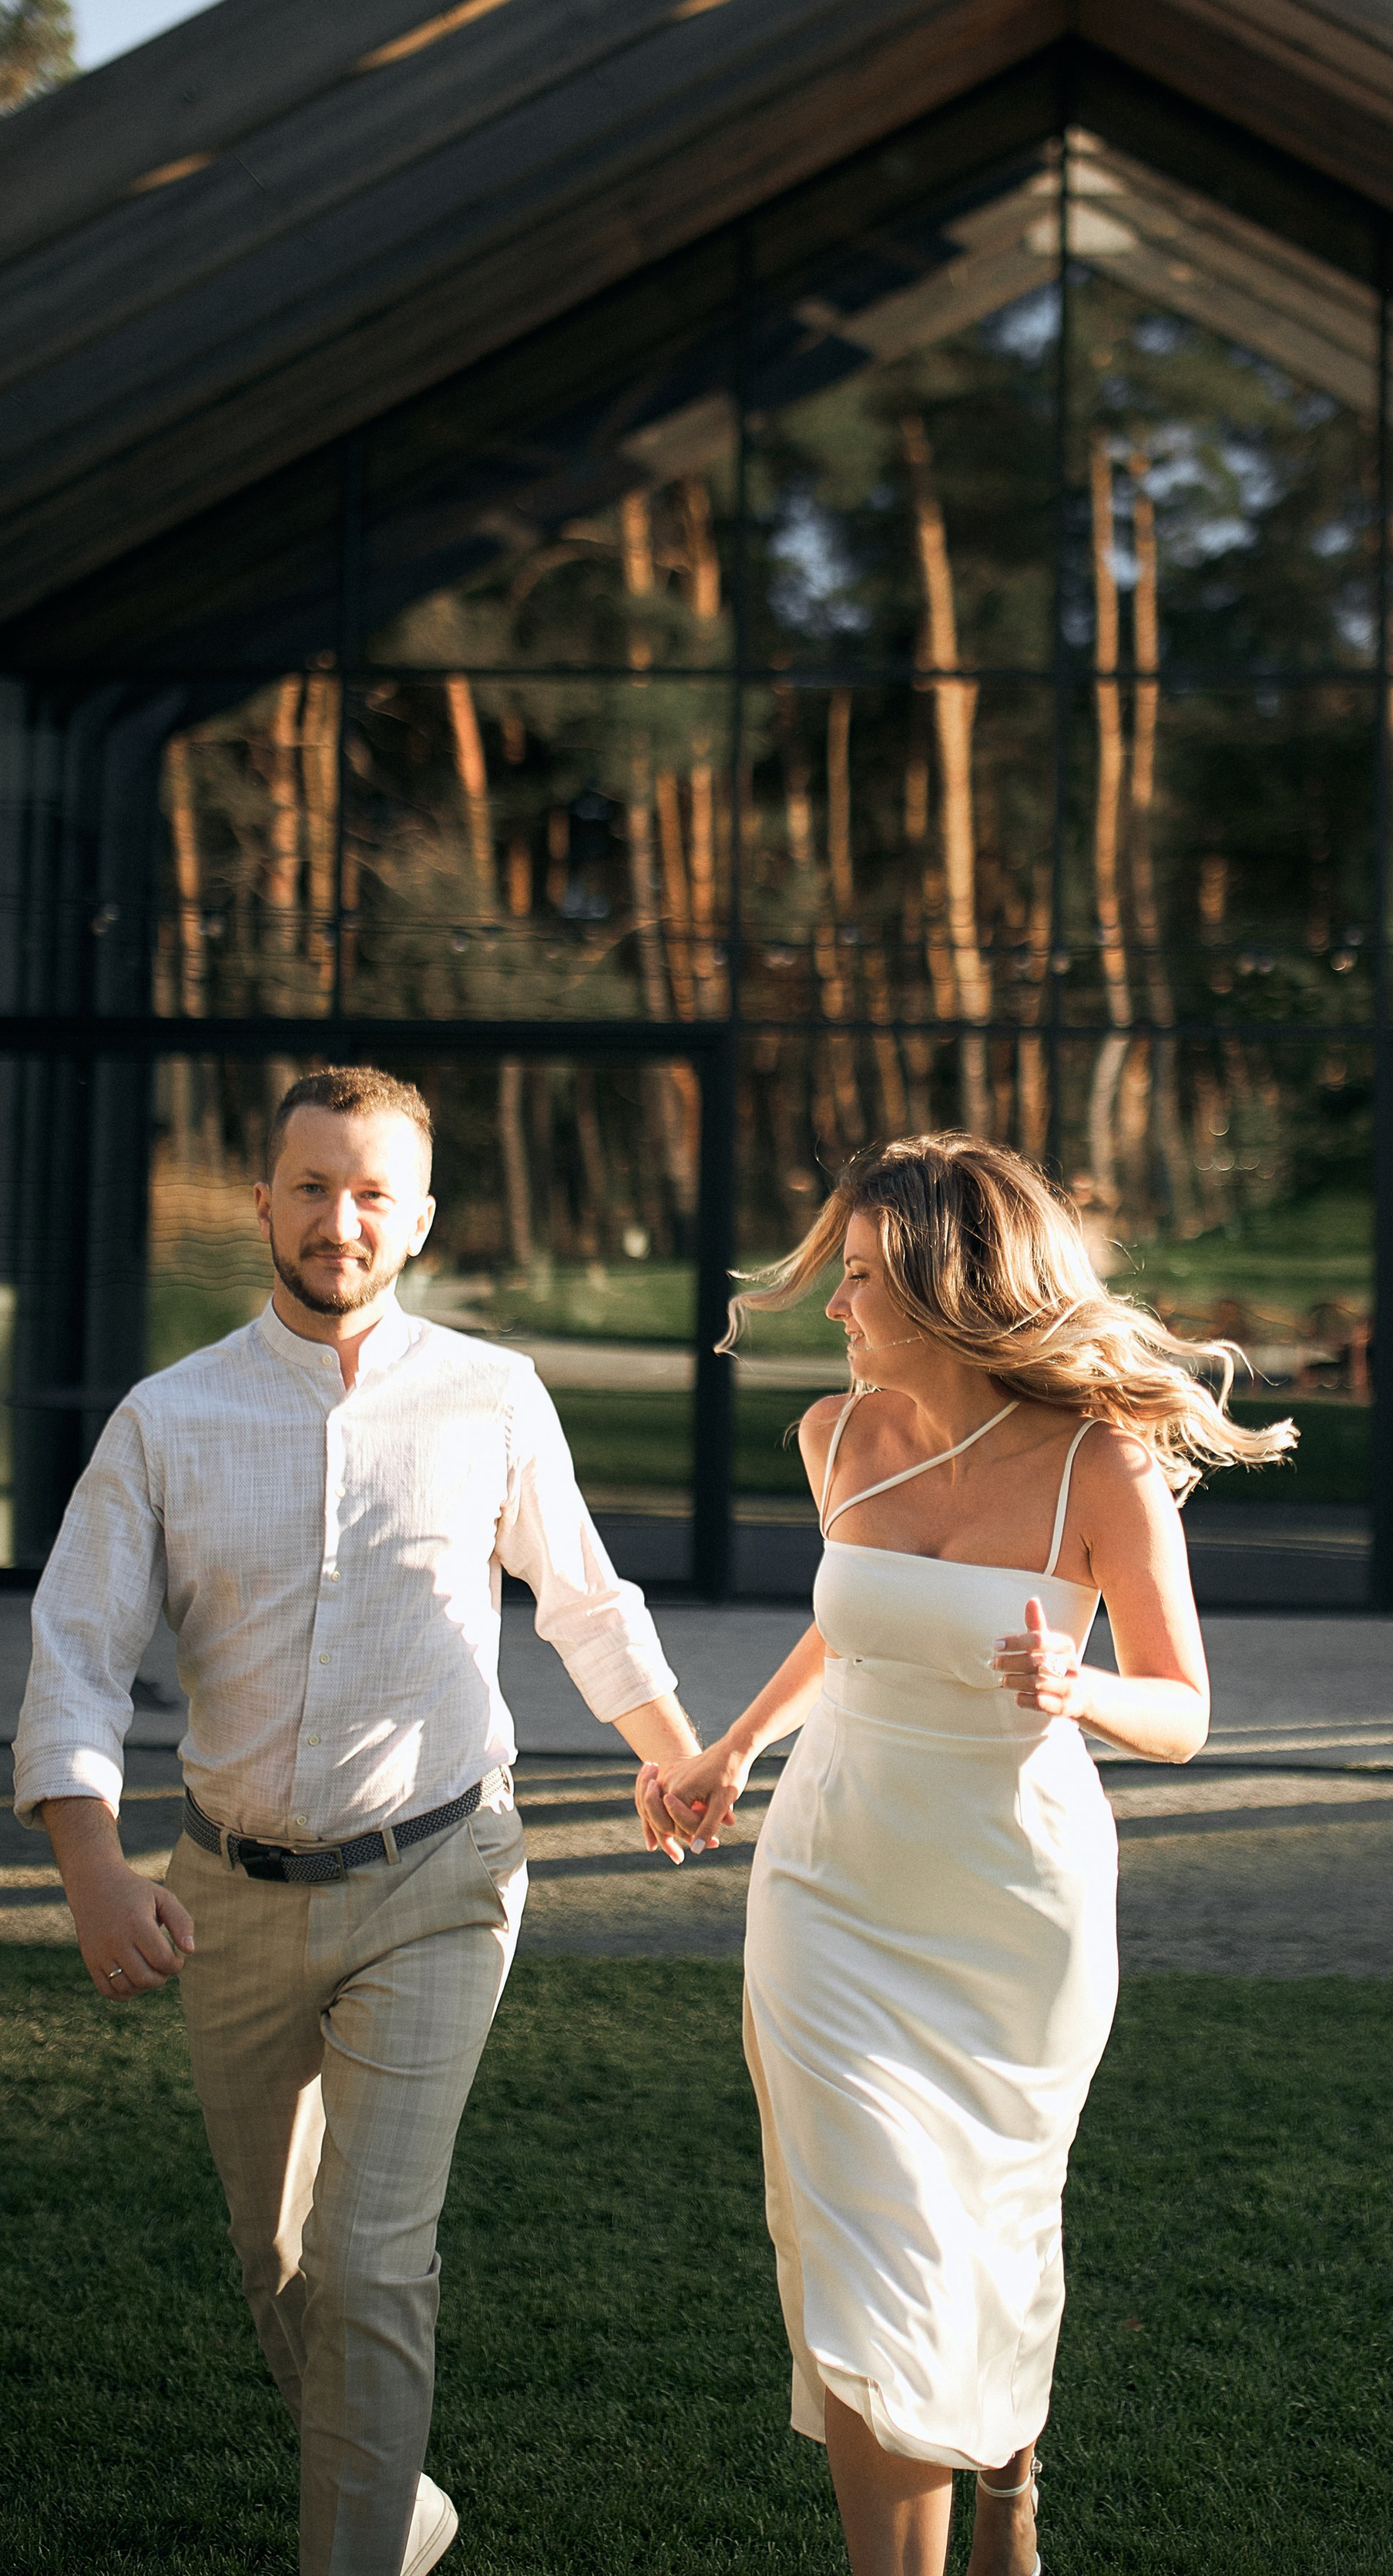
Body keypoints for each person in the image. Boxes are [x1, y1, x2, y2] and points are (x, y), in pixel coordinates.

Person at [15, 1066, 701, 2576]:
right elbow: (72, 1647)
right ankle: (399, 2513)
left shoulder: (490, 1396)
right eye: (313, 1186)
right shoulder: (167, 1421)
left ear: (422, 1219)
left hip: (442, 1878)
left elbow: (581, 1597)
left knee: (374, 2261)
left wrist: (671, 1754)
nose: (341, 1217)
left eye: (373, 1191)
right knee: (278, 2266)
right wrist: (91, 1865)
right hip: (229, 1895)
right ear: (261, 1203)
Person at [641, 1134, 1292, 2576]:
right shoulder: (833, 1436)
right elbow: (856, 1622)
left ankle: (1012, 2476)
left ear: (947, 1289)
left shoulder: (1098, 1460)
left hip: (1012, 1907)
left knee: (984, 2227)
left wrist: (1084, 1689)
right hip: (832, 1888)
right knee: (872, 2253)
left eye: (862, 1279)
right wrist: (735, 1744)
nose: (837, 1308)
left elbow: (1184, 1708)